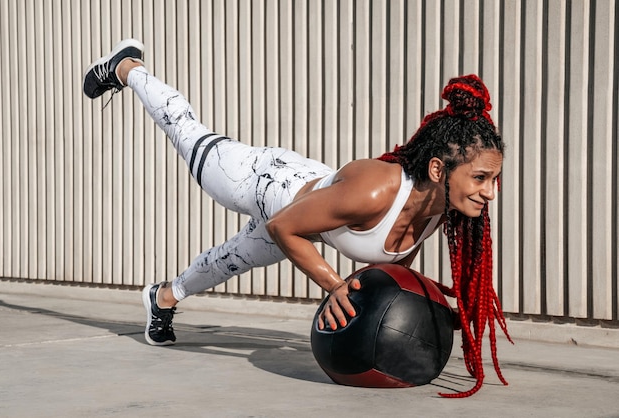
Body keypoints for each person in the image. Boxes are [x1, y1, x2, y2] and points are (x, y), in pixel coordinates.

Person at [83, 39, 510, 397]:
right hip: (264, 182)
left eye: (495, 179)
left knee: (227, 261)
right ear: (438, 171)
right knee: (187, 132)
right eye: (480, 178)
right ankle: (128, 67)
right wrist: (334, 286)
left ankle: (161, 299)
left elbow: (382, 276)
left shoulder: (436, 212)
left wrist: (419, 304)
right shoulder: (376, 189)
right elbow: (282, 226)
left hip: (301, 225)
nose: (490, 191)